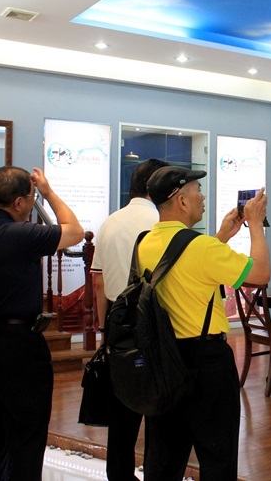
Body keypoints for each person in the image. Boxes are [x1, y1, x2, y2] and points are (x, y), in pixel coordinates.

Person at [0, 166, 84, 480]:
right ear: (20, 202)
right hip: (16, 343)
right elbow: (74, 231)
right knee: (26, 431)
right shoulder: (20, 234)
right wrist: (48, 193)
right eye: (31, 199)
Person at [139, 165, 270, 480]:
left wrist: (222, 236)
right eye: (198, 192)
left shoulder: (144, 242)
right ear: (181, 200)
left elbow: (186, 264)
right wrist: (255, 224)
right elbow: (261, 274)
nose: (202, 198)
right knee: (217, 457)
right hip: (206, 363)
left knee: (164, 457)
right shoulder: (201, 247)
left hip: (163, 361)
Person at [90, 158, 168, 481]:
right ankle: (155, 472)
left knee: (122, 405)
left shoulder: (109, 222)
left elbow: (98, 283)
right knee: (159, 408)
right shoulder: (163, 222)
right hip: (155, 322)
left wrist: (104, 329)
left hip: (116, 322)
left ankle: (119, 473)